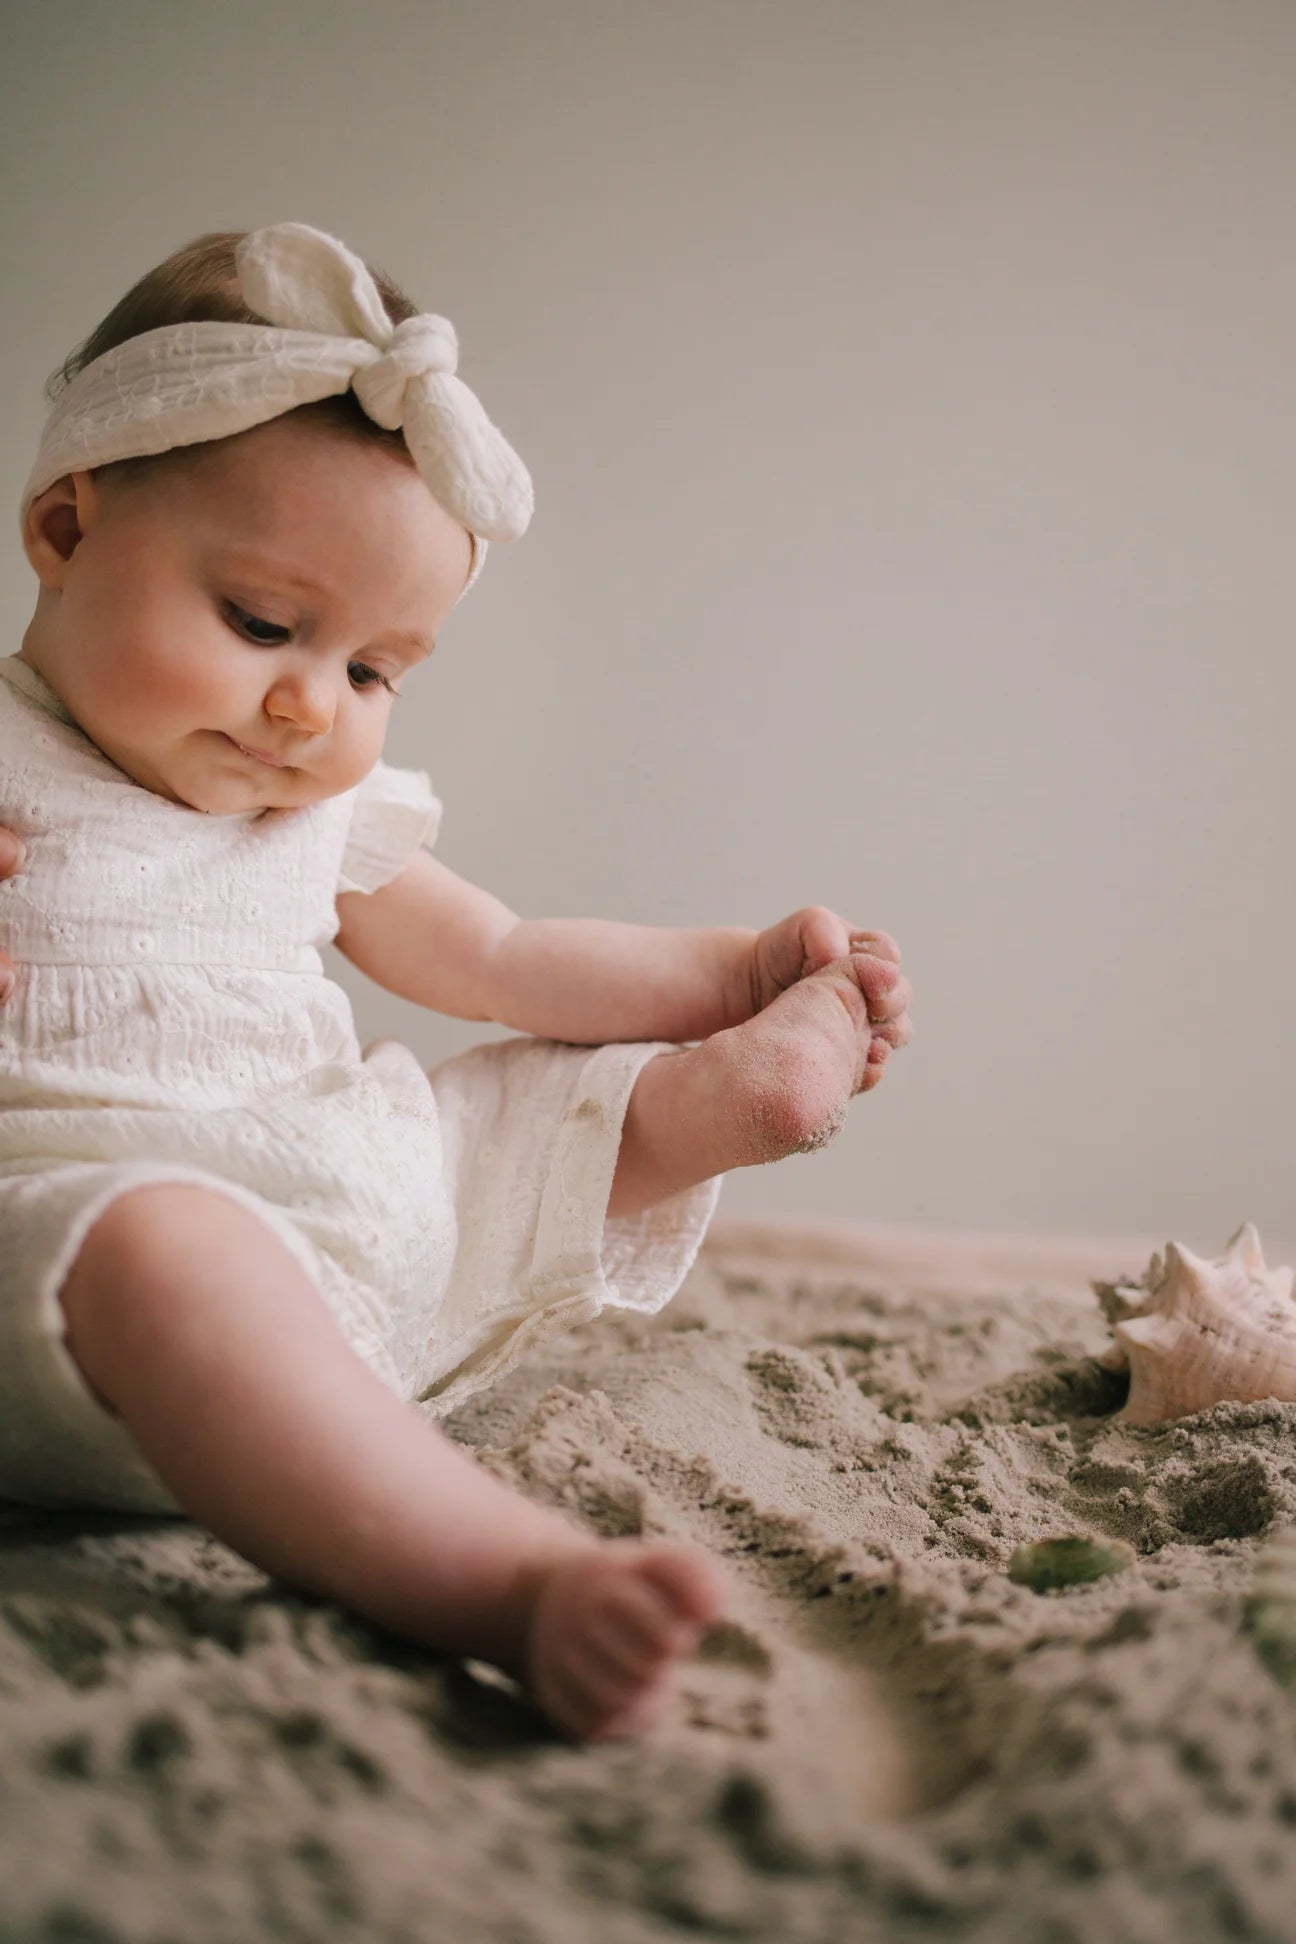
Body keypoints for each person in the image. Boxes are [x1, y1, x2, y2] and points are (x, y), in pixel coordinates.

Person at [0, 222, 913, 1741]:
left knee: (504, 1117)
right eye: (262, 624)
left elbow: (502, 962)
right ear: (66, 527)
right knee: (162, 1243)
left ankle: (711, 1097)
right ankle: (505, 1583)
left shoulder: (317, 815)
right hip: (70, 1271)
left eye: (372, 671)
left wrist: (733, 970)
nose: (307, 706)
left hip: (346, 1240)